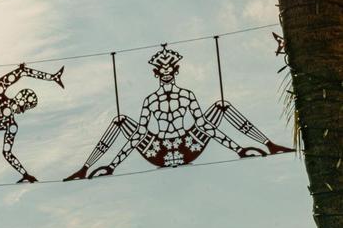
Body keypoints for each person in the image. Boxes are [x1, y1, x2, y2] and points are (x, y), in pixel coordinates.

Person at [65, 46, 292, 179]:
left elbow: (204, 125)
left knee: (221, 105)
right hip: (159, 150)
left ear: (175, 71)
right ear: (156, 73)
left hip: (187, 146)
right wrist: (112, 165)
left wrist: (239, 149)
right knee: (121, 121)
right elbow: (138, 135)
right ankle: (85, 168)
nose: (166, 73)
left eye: (170, 70)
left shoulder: (186, 95)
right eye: (162, 70)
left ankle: (269, 144)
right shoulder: (151, 101)